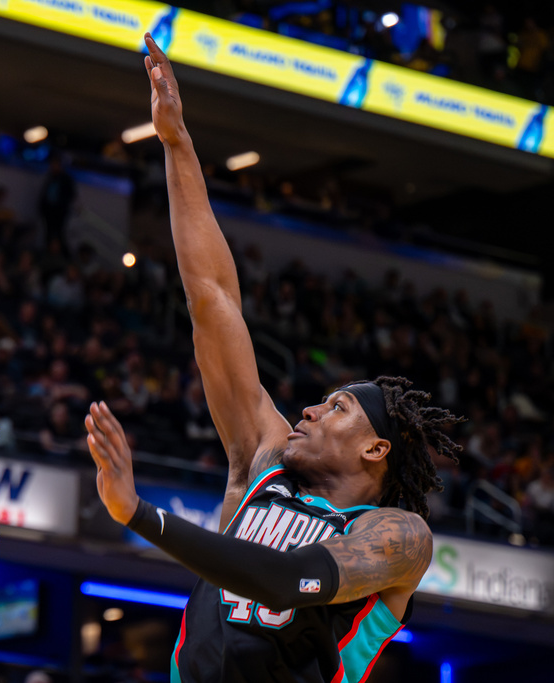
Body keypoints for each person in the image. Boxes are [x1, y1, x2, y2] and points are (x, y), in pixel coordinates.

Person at [82, 34, 463, 683]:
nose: (311, 408)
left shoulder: (398, 535)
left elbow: (290, 580)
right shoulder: (264, 458)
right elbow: (212, 299)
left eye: (339, 406)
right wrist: (176, 144)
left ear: (377, 449)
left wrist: (139, 514)